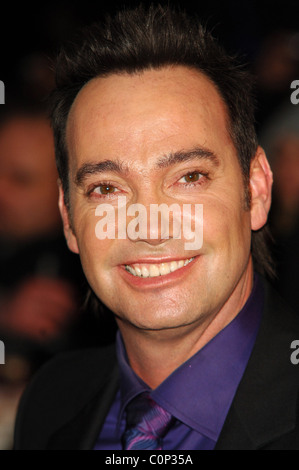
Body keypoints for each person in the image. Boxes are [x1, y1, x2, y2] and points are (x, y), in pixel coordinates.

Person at [13, 5, 299, 450]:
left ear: (256, 190)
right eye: (106, 188)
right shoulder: (52, 399)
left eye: (189, 177)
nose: (150, 226)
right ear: (68, 218)